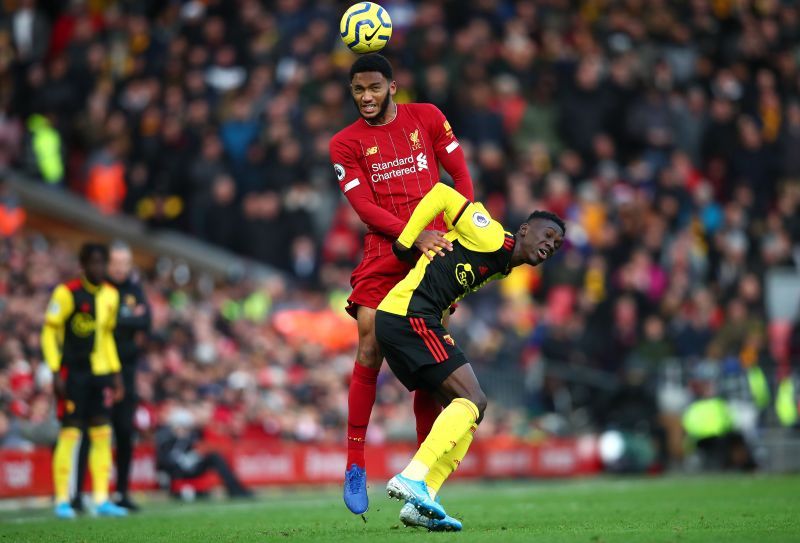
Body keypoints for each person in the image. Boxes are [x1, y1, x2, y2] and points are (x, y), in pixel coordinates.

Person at [329, 53, 475, 516]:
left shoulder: (427, 117)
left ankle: (419, 483)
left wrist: (462, 226)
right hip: (387, 252)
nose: (366, 98)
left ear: (393, 86)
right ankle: (355, 463)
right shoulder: (344, 144)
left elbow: (462, 176)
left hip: (435, 251)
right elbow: (366, 210)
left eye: (374, 88)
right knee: (370, 339)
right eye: (358, 91)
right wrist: (413, 234)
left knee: (427, 364)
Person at [375, 183, 565, 529]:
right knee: (473, 398)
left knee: (473, 406)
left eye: (556, 244)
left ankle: (424, 497)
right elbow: (441, 193)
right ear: (524, 229)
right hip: (408, 316)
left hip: (412, 319)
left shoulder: (503, 265)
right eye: (547, 234)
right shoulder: (492, 235)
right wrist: (407, 240)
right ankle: (413, 476)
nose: (551, 244)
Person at [41, 243, 128, 519]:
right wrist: (55, 370)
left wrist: (116, 375)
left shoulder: (112, 295)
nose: (99, 269)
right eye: (93, 263)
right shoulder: (67, 294)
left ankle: (101, 498)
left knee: (102, 434)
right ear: (83, 265)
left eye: (102, 263)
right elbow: (48, 332)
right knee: (70, 433)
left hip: (100, 374)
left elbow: (107, 338)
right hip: (74, 373)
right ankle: (62, 499)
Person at [73, 241, 150, 512]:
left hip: (126, 371)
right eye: (114, 263)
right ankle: (79, 493)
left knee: (124, 431)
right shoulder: (97, 289)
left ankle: (121, 492)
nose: (119, 269)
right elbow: (100, 323)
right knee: (90, 429)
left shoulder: (134, 289)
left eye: (123, 264)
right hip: (97, 368)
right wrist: (126, 317)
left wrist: (120, 318)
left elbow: (145, 321)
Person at [154, 407, 253, 500]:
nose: (185, 431)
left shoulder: (191, 438)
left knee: (215, 456)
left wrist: (193, 453)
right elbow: (163, 463)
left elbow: (197, 448)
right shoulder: (166, 441)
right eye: (182, 427)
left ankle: (235, 489)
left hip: (192, 467)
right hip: (178, 471)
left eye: (187, 428)